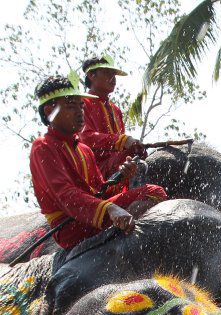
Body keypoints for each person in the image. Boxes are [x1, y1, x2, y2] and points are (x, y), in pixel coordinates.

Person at [30, 74, 167, 250]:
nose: (80, 113)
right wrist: (110, 209)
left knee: (154, 192)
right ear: (50, 111)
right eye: (72, 107)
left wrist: (123, 177)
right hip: (69, 225)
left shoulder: (84, 150)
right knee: (151, 193)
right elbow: (66, 195)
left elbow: (101, 192)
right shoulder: (43, 146)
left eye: (81, 106)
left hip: (92, 214)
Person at [79, 54, 145, 176]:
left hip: (116, 167)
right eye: (107, 73)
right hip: (92, 170)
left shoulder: (116, 110)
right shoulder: (81, 103)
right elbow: (86, 138)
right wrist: (123, 141)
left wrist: (135, 147)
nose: (113, 78)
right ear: (91, 75)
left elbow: (122, 146)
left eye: (114, 74)